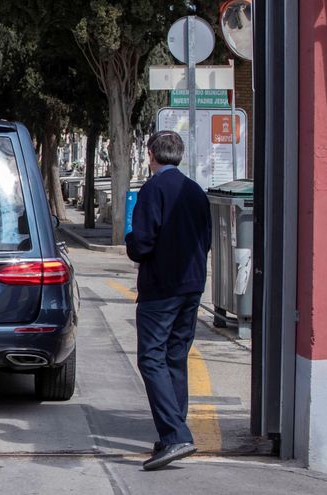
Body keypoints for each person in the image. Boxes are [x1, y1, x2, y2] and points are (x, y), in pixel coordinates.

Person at [125, 131, 211, 471]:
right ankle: (172, 434)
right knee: (175, 357)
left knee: (151, 359)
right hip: (192, 286)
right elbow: (205, 240)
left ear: (150, 154)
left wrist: (131, 240)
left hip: (161, 289)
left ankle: (175, 435)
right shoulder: (195, 191)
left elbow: (142, 243)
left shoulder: (152, 189)